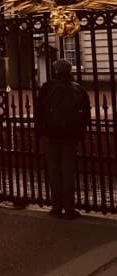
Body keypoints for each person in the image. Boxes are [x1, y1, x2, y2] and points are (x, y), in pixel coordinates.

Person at [35, 58, 91, 220]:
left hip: (50, 135)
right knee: (68, 172)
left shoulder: (47, 88)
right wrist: (79, 131)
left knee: (53, 171)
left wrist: (40, 133)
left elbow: (39, 112)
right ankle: (69, 208)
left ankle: (56, 207)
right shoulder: (78, 89)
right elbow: (86, 114)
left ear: (55, 71)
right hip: (70, 136)